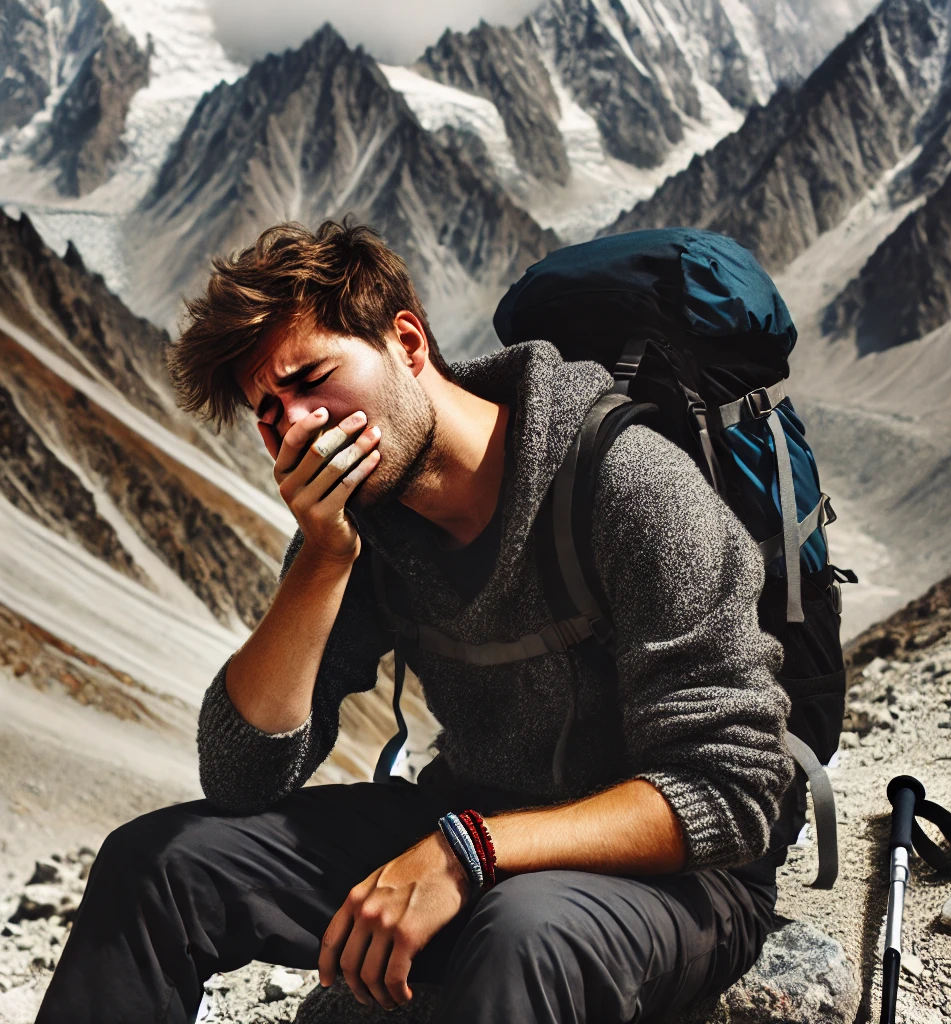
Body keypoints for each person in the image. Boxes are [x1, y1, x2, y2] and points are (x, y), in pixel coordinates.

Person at [36, 219, 795, 1024]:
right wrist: (324, 563)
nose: (293, 426)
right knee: (157, 864)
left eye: (311, 378)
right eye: (268, 412)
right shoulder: (365, 523)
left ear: (406, 341)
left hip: (674, 881)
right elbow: (240, 779)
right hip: (471, 834)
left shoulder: (627, 482)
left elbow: (732, 789)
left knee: (522, 933)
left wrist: (471, 852)